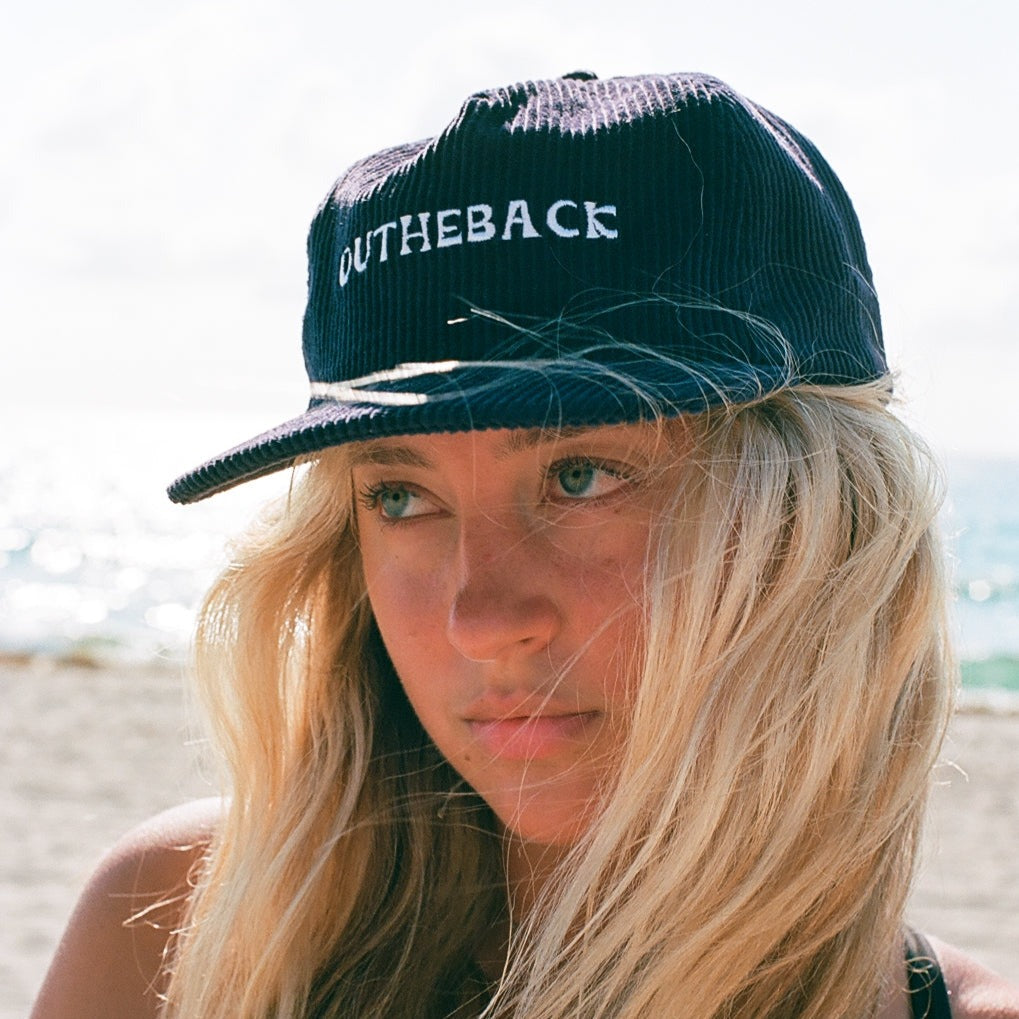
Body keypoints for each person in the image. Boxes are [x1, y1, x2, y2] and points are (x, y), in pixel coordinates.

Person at [31, 71, 1019, 1019]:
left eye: (580, 474)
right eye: (400, 495)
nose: (480, 618)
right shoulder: (183, 932)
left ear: (820, 518)